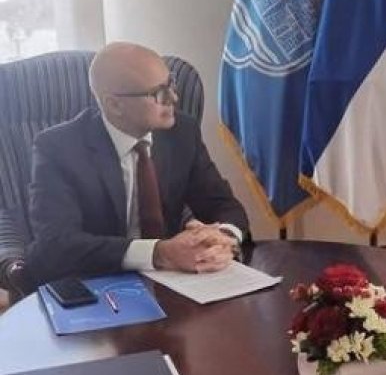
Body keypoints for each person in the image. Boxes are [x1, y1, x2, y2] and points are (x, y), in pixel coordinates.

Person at [26, 42, 250, 285]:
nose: (174, 98)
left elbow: (224, 205)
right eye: (158, 93)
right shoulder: (58, 147)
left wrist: (223, 238)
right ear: (114, 104)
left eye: (171, 84)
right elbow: (56, 244)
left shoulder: (182, 132)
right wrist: (159, 252)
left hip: (173, 281)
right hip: (92, 280)